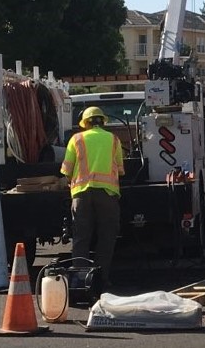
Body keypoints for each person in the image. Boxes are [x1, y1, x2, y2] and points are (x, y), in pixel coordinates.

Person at [61, 106, 125, 290]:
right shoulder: (113, 139)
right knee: (107, 237)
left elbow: (66, 170)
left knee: (81, 237)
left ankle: (81, 281)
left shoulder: (76, 139)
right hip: (107, 194)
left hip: (81, 194)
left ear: (85, 123)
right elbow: (120, 169)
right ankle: (101, 279)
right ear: (102, 121)